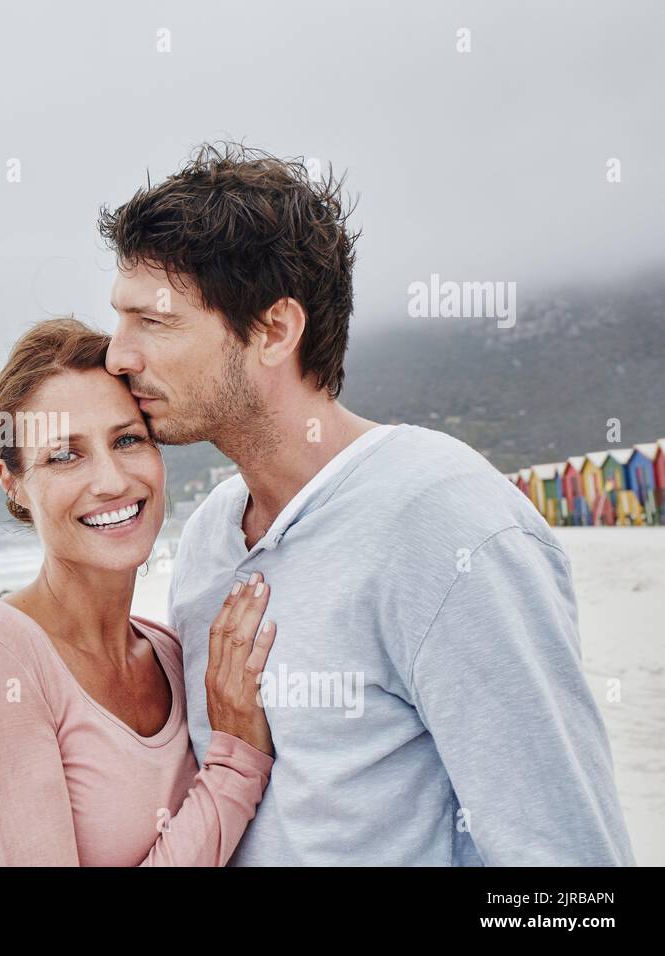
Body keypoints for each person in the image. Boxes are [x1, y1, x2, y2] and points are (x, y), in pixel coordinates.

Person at [96, 142, 635, 865]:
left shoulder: (446, 523)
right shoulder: (207, 541)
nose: (117, 357)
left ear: (274, 331)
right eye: (119, 321)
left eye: (153, 322)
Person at [0, 318, 277, 866]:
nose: (110, 480)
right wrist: (234, 768)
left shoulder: (171, 653)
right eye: (65, 455)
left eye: (128, 439)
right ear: (13, 483)